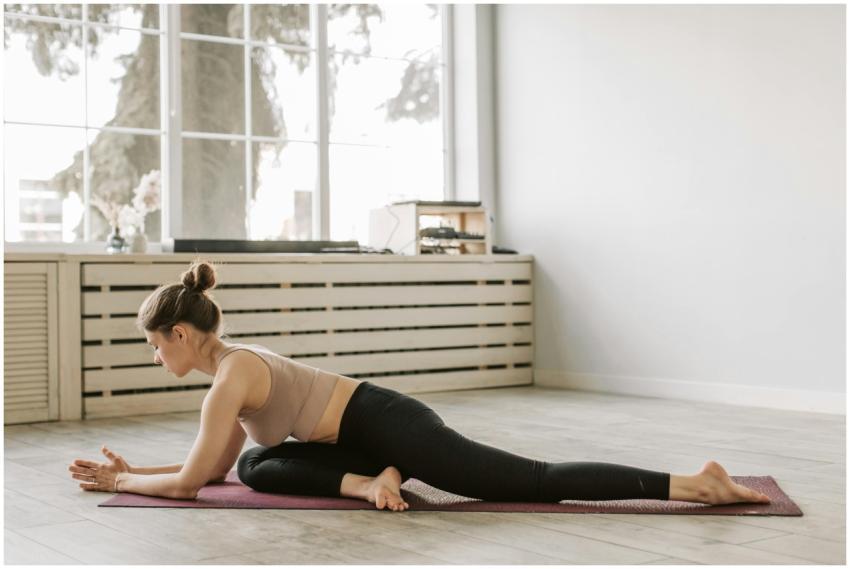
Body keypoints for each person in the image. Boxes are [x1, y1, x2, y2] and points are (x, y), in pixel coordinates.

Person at [68, 261, 771, 511]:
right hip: (360, 436)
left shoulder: (229, 380)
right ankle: (376, 476)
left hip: (387, 420)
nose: (157, 356)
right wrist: (137, 470)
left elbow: (192, 485)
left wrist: (120, 484)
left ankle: (693, 482)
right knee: (254, 463)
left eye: (155, 345)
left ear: (182, 336)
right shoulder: (231, 371)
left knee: (530, 479)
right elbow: (212, 470)